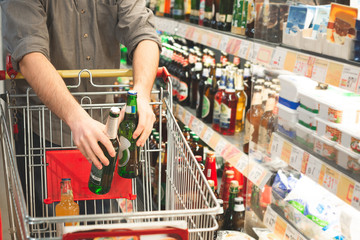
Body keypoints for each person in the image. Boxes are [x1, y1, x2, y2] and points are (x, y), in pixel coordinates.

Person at [1, 0, 161, 219]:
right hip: (44, 133)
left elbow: (143, 32)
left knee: (97, 219)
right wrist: (75, 117)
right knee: (48, 223)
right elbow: (30, 54)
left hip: (104, 130)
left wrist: (141, 93)